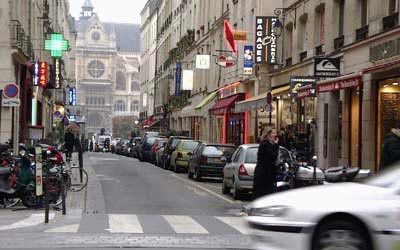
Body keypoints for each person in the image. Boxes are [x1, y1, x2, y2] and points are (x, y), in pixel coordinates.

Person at [253, 129, 280, 200]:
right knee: (264, 195)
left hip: (266, 173)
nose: (275, 135)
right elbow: (272, 156)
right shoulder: (265, 145)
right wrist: (276, 145)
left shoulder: (268, 144)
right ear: (268, 135)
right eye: (273, 133)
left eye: (275, 133)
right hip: (264, 174)